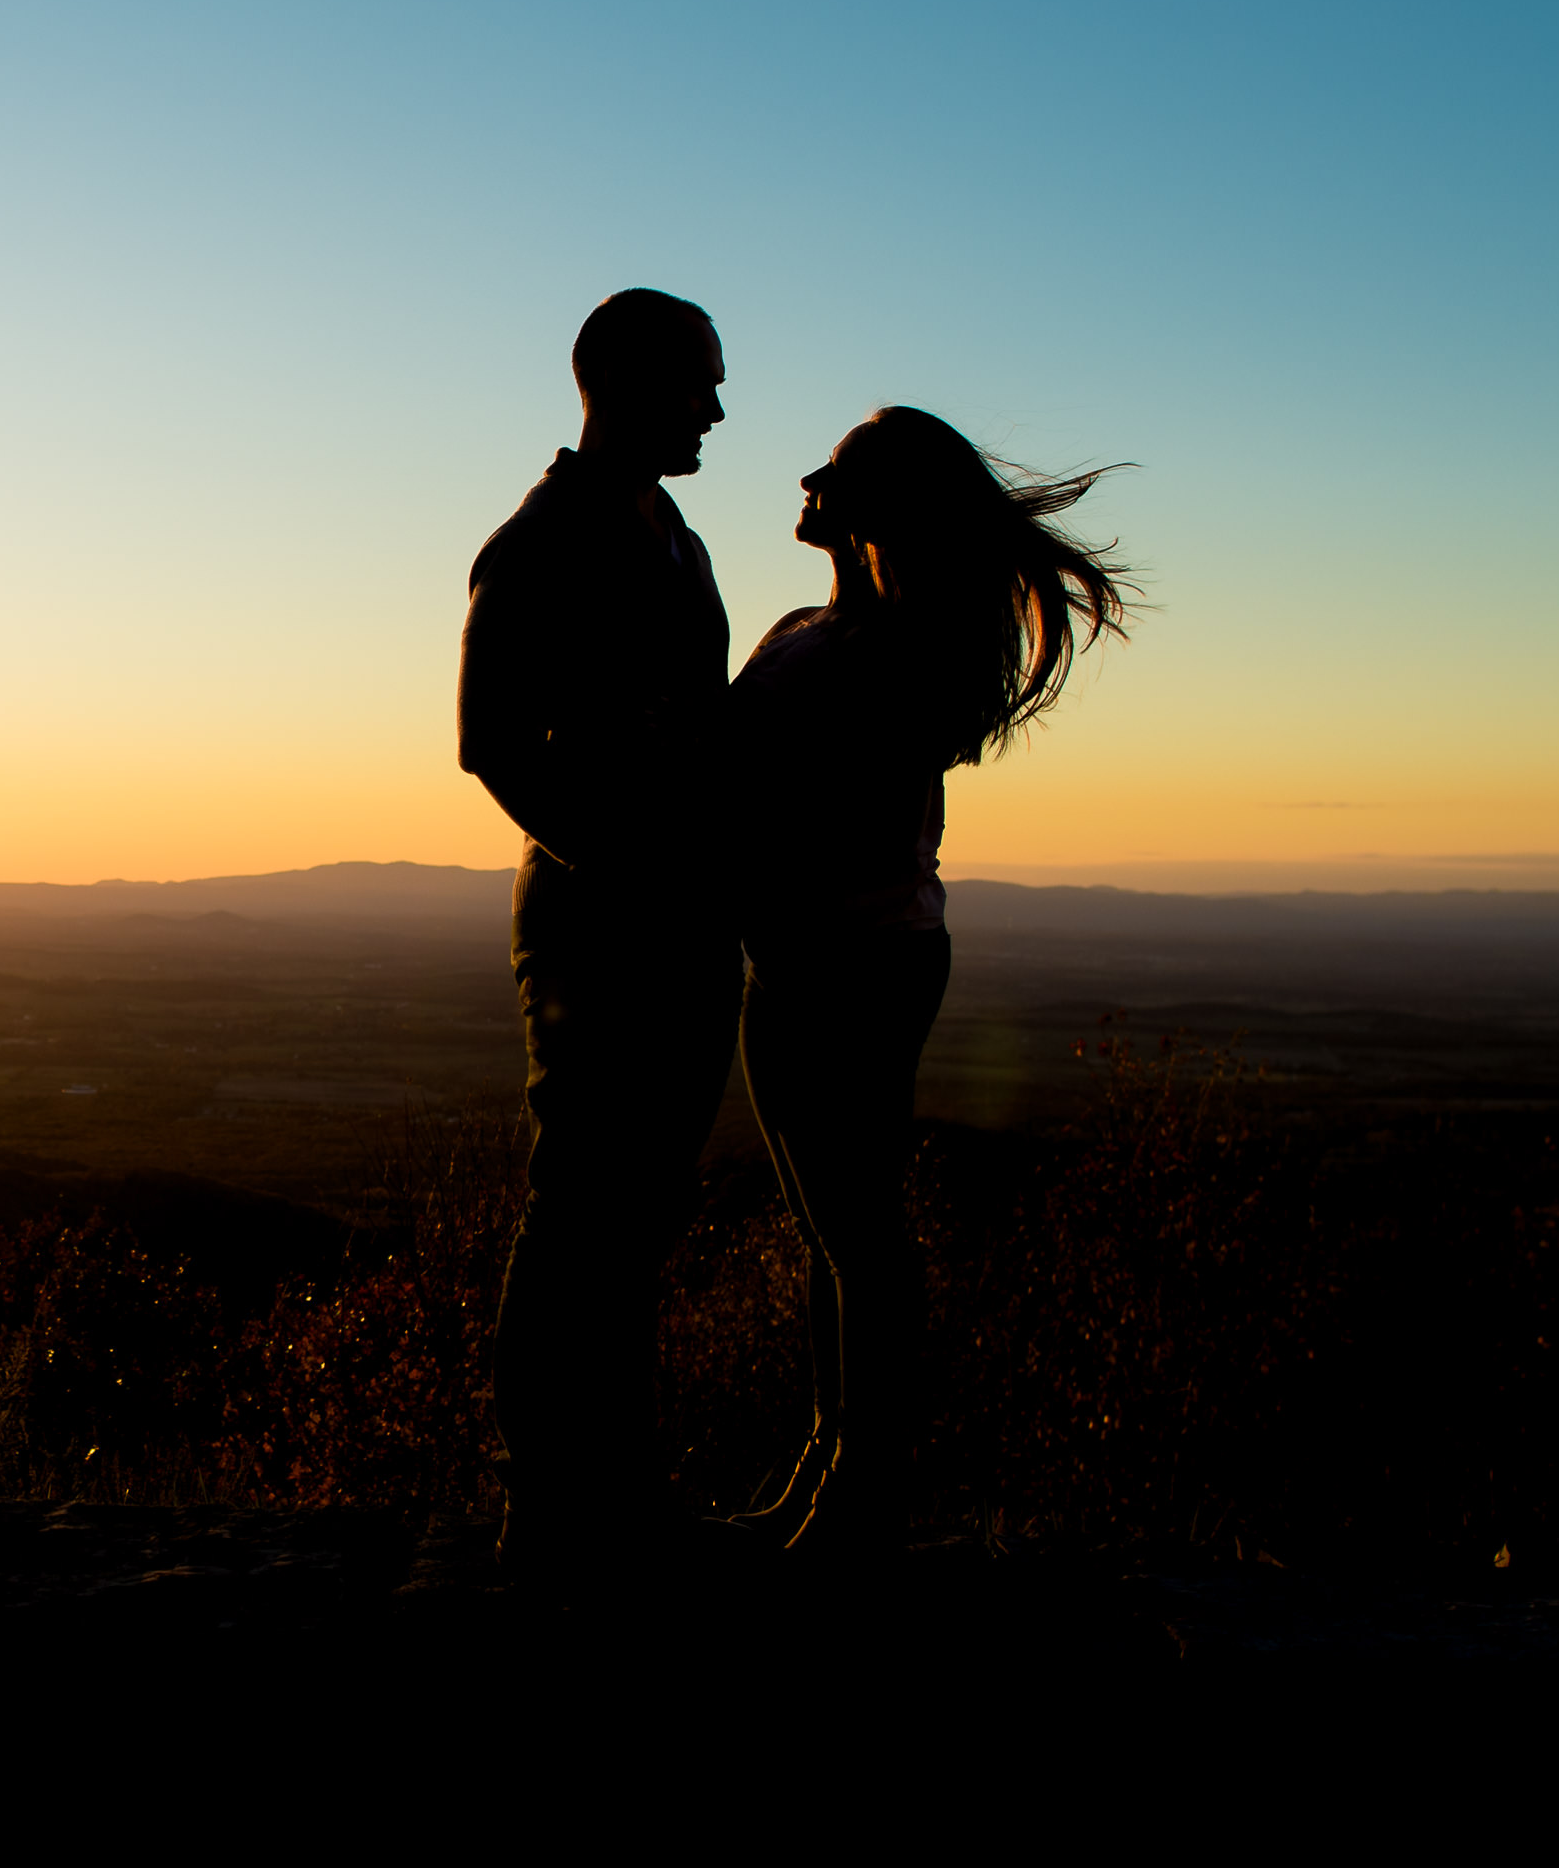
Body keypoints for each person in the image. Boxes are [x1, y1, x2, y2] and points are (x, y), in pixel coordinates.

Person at [728, 404, 1131, 1557]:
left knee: (856, 1227)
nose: (806, 475)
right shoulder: (817, 627)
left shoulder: (906, 653)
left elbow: (801, 793)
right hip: (801, 953)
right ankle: (825, 1470)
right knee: (830, 1226)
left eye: (841, 471)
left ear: (887, 510)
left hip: (859, 957)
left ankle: (860, 1492)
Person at [456, 287, 738, 1571]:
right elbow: (489, 742)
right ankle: (547, 1502)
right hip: (594, 918)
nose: (719, 410)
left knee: (642, 1210)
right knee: (579, 1204)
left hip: (685, 913)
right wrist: (614, 861)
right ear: (619, 379)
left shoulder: (670, 528)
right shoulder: (545, 535)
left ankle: (618, 1486)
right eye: (699, 383)